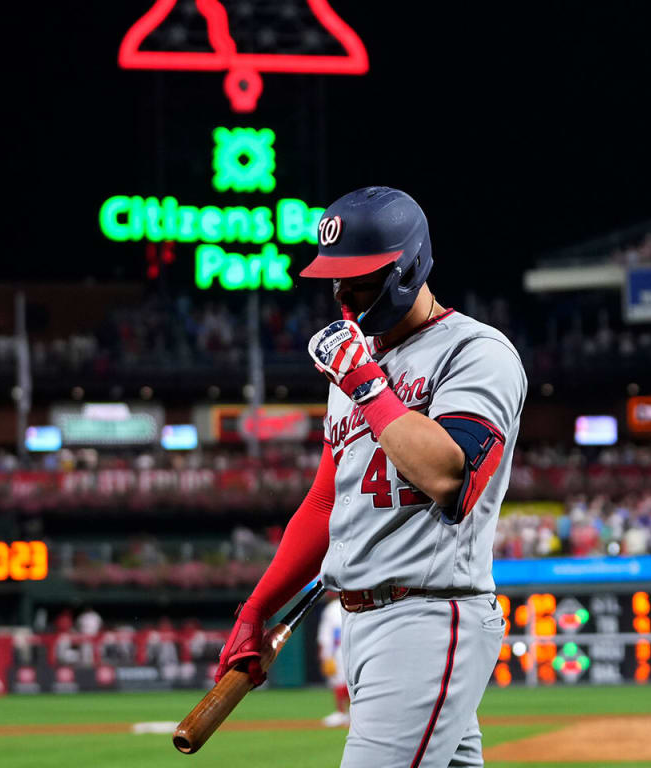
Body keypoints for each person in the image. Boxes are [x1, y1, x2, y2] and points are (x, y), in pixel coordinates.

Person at [216, 187, 523, 767]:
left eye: (360, 279)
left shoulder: (476, 352)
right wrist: (256, 609)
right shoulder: (358, 365)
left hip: (427, 616)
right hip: (363, 621)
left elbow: (449, 475)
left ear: (407, 268)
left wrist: (362, 380)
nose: (343, 295)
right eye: (334, 278)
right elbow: (325, 502)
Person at [316, 592, 349, 728]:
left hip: (338, 650)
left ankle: (341, 713)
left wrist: (325, 655)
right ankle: (350, 714)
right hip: (354, 647)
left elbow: (325, 636)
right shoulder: (351, 603)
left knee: (339, 681)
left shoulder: (331, 608)